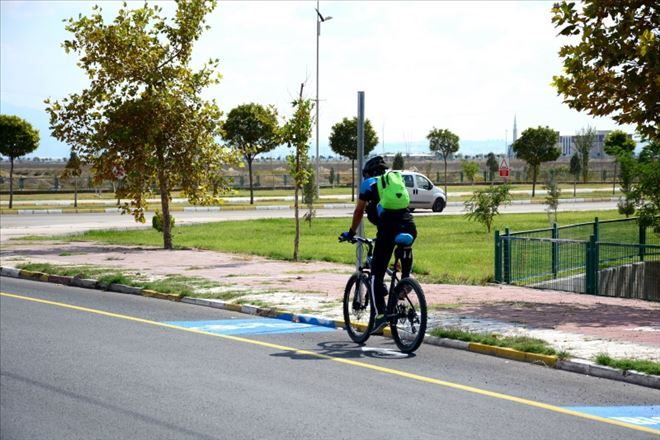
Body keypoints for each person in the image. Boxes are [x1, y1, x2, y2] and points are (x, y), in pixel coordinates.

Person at [340, 156, 417, 334]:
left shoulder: (369, 184)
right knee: (403, 246)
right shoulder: (395, 179)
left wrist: (351, 233)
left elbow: (359, 210)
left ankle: (381, 316)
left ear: (368, 173)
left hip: (388, 229)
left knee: (376, 275)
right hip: (409, 225)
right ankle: (406, 280)